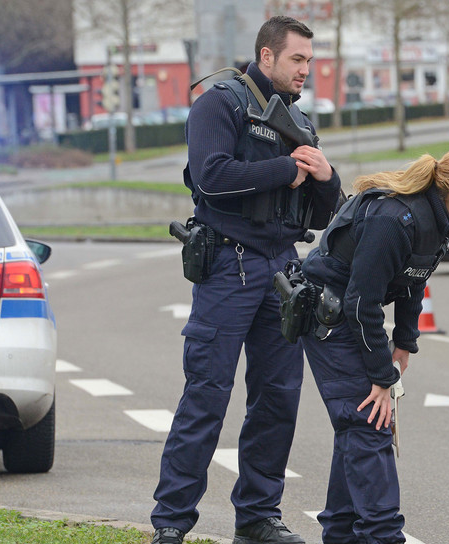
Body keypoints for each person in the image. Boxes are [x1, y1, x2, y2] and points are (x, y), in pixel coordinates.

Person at [151, 16, 342, 544]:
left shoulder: (297, 121)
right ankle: (171, 522)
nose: (307, 69)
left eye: (310, 59)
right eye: (298, 59)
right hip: (228, 267)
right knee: (207, 394)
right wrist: (285, 170)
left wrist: (327, 177)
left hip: (283, 269)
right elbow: (210, 175)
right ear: (266, 56)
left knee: (278, 399)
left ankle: (258, 517)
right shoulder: (220, 103)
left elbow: (325, 213)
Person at [298, 147, 449, 544]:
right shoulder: (395, 219)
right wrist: (381, 376)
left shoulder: (439, 219)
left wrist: (405, 342)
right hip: (329, 317)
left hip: (352, 314)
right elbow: (361, 301)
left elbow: (413, 278)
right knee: (369, 422)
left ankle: (341, 535)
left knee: (356, 426)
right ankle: (383, 536)